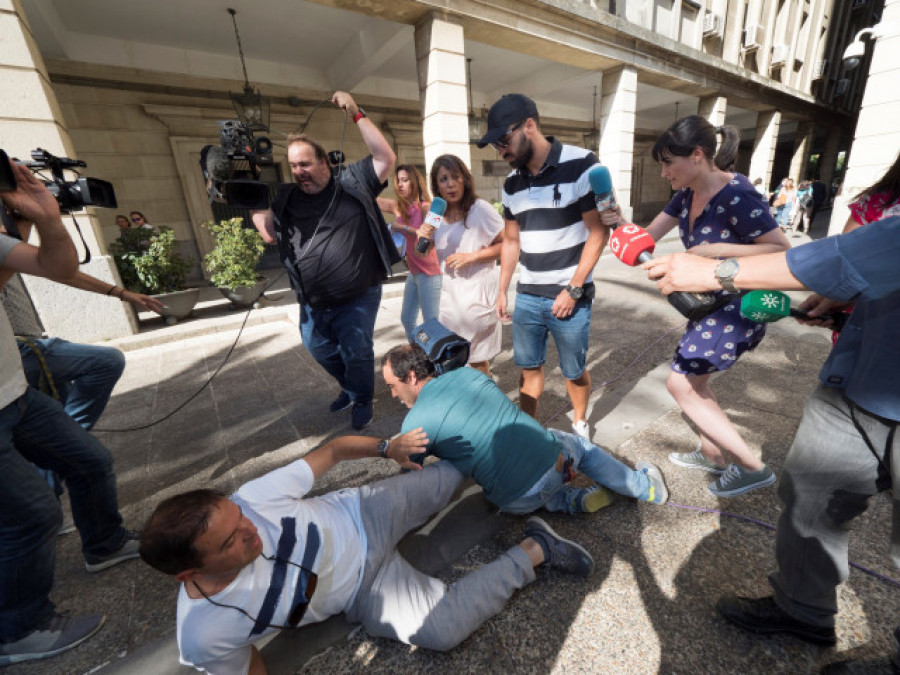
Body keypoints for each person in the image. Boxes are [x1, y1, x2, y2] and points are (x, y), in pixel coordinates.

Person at [642, 215, 900, 673]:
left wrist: (717, 271)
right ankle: (803, 609)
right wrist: (850, 297)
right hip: (857, 376)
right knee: (807, 497)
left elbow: (858, 250)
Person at [139, 432, 596, 674]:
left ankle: (538, 451)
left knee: (451, 474)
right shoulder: (203, 633)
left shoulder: (252, 499)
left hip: (364, 514)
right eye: (230, 540)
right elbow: (245, 667)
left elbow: (335, 450)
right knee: (442, 631)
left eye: (237, 515)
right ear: (190, 573)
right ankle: (537, 549)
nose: (249, 528)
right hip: (363, 592)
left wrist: (387, 448)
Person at [603, 115, 790, 497]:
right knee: (696, 381)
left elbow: (780, 248)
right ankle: (712, 453)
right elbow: (647, 237)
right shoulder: (686, 193)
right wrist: (619, 222)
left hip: (736, 305)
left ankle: (751, 467)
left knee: (682, 382)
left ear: (699, 155)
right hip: (706, 304)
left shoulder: (737, 194)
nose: (663, 172)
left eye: (668, 162)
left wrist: (715, 251)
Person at [0, 160, 140, 666]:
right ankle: (16, 630)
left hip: (13, 392)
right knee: (32, 516)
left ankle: (103, 544)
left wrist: (49, 219)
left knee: (89, 461)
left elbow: (57, 268)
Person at [252, 91, 400, 430]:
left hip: (358, 294)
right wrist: (257, 210)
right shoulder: (287, 196)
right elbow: (269, 232)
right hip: (312, 300)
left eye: (304, 164)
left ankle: (362, 399)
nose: (298, 171)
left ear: (324, 163)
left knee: (357, 351)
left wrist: (356, 113)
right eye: (293, 166)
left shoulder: (352, 181)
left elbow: (385, 157)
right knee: (319, 349)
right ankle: (350, 388)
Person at [382, 343, 668, 514]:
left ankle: (573, 501)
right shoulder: (468, 373)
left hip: (513, 503)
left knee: (527, 485)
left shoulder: (412, 426)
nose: (393, 396)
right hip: (555, 465)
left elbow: (409, 481)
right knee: (576, 445)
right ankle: (645, 488)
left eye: (392, 387)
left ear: (410, 377)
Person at [483, 94, 608, 441]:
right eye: (495, 145)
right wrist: (503, 289)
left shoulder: (582, 163)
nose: (500, 150)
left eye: (503, 140)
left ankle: (580, 423)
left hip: (571, 295)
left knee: (574, 371)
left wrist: (574, 288)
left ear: (529, 125)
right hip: (528, 296)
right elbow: (510, 241)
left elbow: (599, 231)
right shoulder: (511, 184)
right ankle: (529, 432)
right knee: (528, 368)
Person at [425, 155, 504, 376]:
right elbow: (421, 253)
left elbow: (508, 244)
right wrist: (423, 236)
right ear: (436, 185)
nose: (450, 184)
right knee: (454, 359)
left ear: (464, 179)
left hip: (477, 296)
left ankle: (486, 405)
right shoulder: (436, 216)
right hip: (450, 299)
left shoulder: (480, 209)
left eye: (455, 177)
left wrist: (472, 257)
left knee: (477, 360)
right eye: (443, 179)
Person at [377, 165, 442, 342]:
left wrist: (403, 227)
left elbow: (430, 238)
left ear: (414, 182)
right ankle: (419, 354)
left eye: (405, 180)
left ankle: (436, 363)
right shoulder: (399, 207)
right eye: (397, 181)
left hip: (430, 274)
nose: (400, 185)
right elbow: (372, 200)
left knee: (431, 324)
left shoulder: (428, 207)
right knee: (407, 320)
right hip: (413, 273)